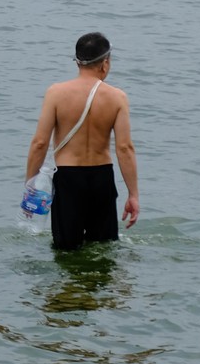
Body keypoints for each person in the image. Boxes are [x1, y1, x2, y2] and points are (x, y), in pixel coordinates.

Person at [24, 31, 138, 250]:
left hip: (67, 179)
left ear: (77, 61)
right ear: (105, 63)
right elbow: (125, 148)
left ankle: (71, 285)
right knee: (102, 248)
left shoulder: (56, 93)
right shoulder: (117, 97)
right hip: (101, 178)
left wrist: (31, 186)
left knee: (66, 251)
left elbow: (39, 143)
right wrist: (133, 195)